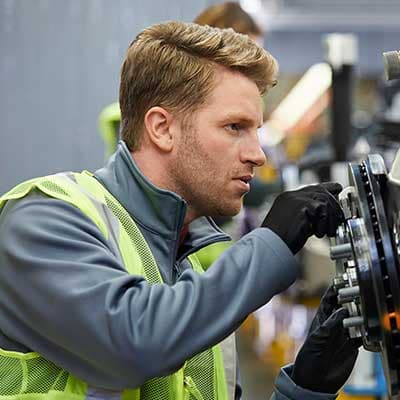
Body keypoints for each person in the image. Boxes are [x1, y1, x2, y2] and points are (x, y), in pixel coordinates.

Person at [0, 21, 358, 399]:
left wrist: (307, 385)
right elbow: (132, 342)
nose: (257, 154)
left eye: (256, 130)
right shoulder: (40, 221)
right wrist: (270, 243)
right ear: (162, 128)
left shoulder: (191, 277)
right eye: (235, 126)